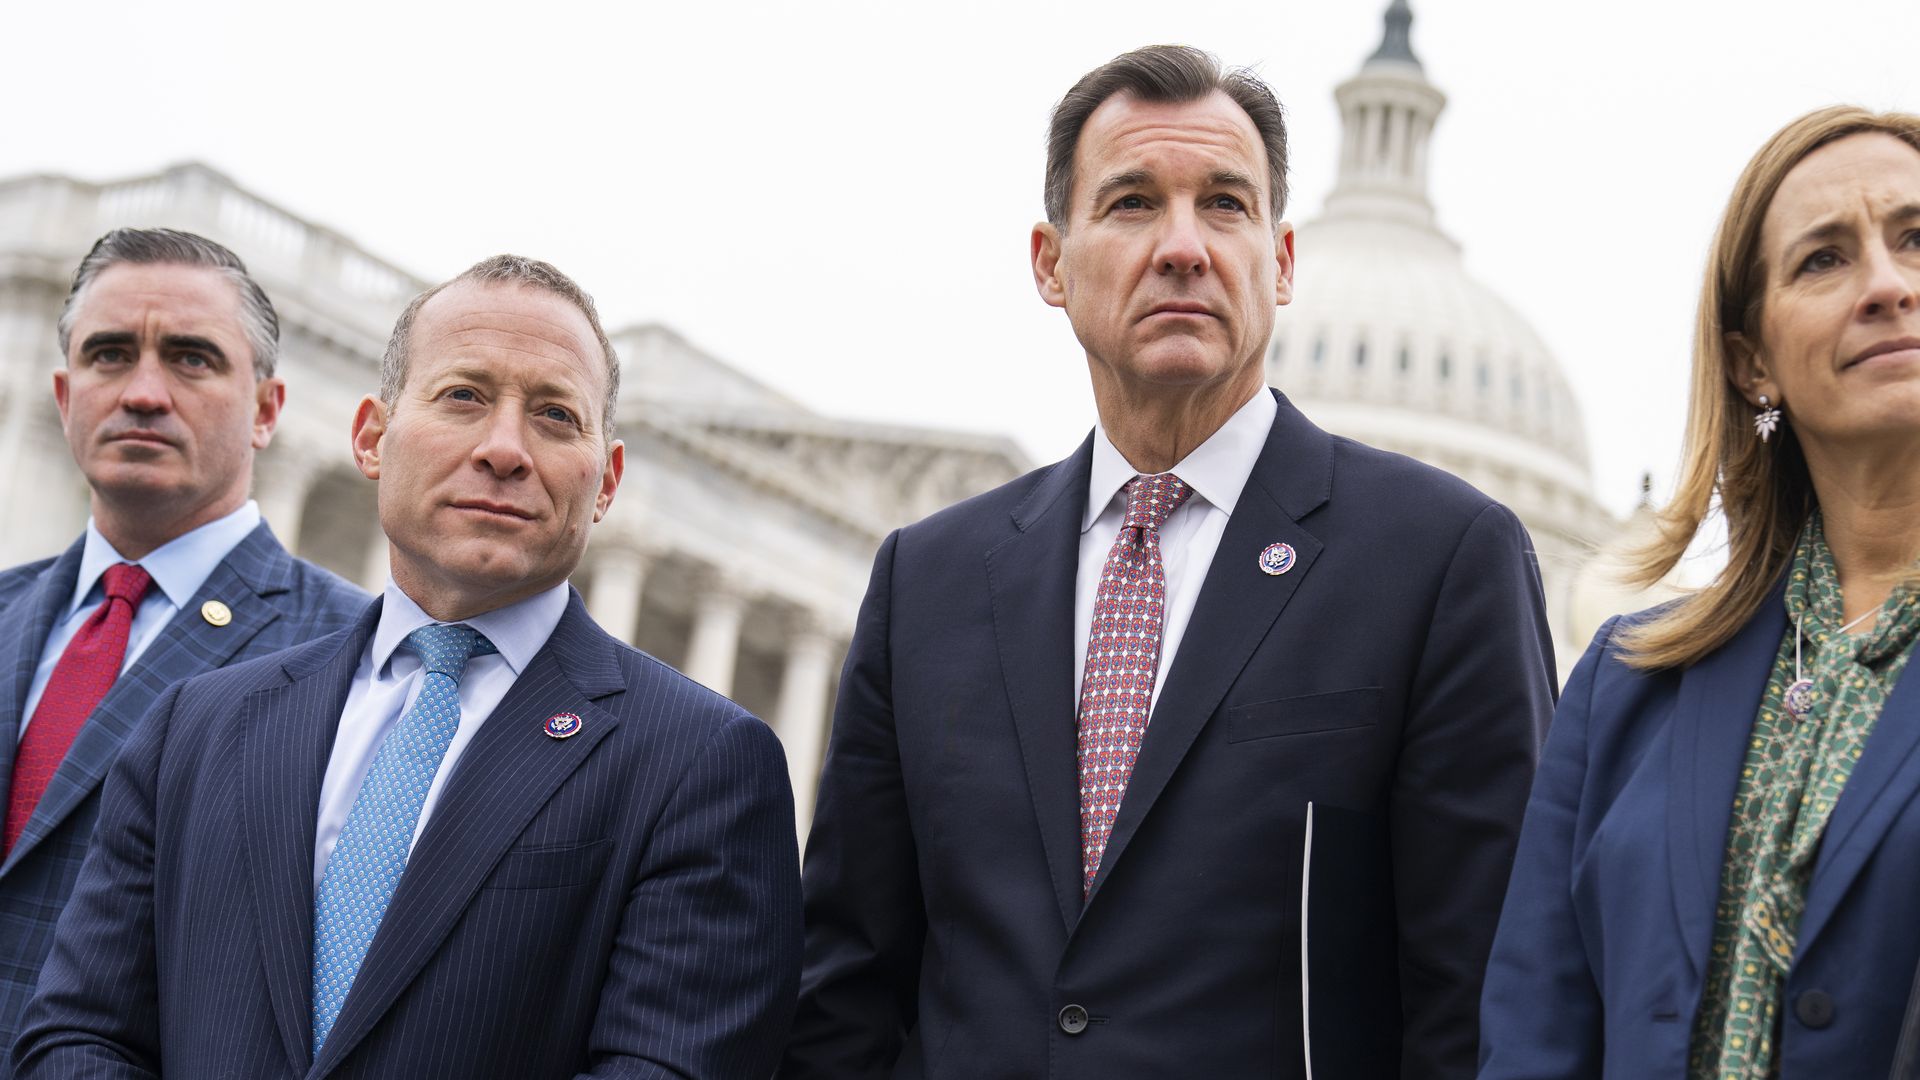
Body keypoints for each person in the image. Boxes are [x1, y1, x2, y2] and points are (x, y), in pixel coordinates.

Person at [783, 45, 1555, 1079]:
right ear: (1051, 262)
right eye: (1135, 202)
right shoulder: (928, 581)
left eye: (1225, 205)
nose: (1183, 246)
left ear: (1282, 261)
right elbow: (847, 991)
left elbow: (1486, 1000)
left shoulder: (1443, 561)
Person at [15, 255, 802, 1078]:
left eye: (556, 417)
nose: (505, 450)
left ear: (605, 482)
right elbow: (79, 1032)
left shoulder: (701, 764)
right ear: (371, 439)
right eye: (463, 396)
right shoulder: (195, 725)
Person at [1479, 106, 1920, 1079]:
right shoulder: (1627, 685)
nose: (1888, 286)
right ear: (1752, 363)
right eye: (1824, 260)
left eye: (1916, 239)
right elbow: (1534, 1033)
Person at [0, 228, 366, 1065]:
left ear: (268, 411)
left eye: (192, 359)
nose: (144, 392)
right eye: (110, 354)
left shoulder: (354, 653)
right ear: (64, 396)